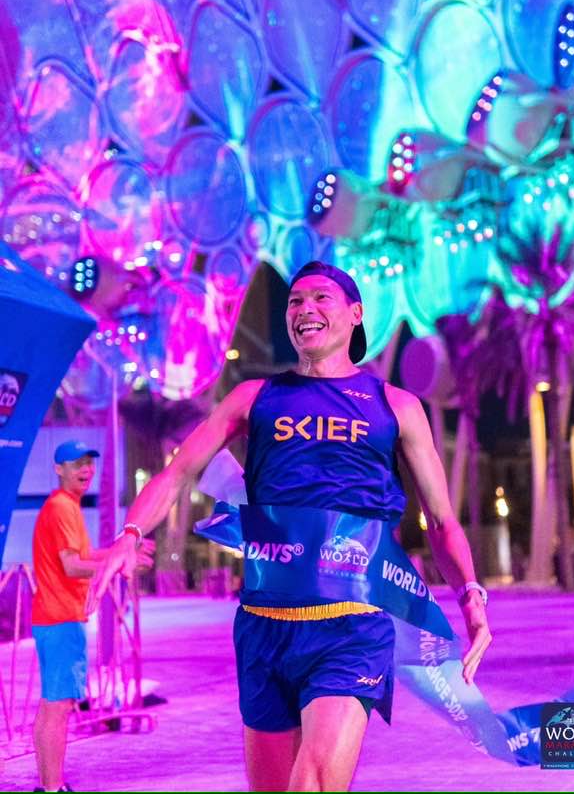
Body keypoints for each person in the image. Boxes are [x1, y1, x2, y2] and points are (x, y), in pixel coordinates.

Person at [89, 261, 491, 792]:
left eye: (321, 298)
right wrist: (130, 535)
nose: (305, 309)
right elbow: (178, 472)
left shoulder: (395, 406)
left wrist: (470, 595)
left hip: (352, 627)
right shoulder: (253, 398)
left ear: (355, 313)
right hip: (263, 625)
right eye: (295, 301)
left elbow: (441, 520)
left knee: (312, 783)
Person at [31, 440, 152, 792]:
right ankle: (53, 788)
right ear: (59, 469)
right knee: (59, 707)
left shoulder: (65, 506)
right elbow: (72, 567)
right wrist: (118, 566)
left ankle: (49, 786)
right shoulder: (61, 508)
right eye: (76, 463)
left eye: (89, 462)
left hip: (54, 618)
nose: (86, 469)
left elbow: (81, 556)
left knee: (52, 706)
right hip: (61, 619)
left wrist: (123, 550)